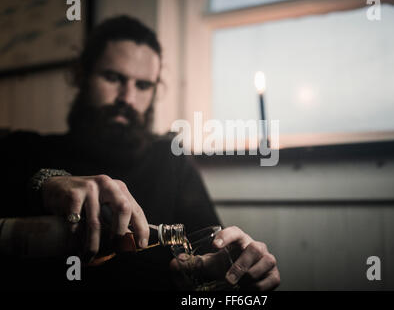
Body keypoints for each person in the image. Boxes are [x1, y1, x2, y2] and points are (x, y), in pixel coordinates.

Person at [0, 16, 280, 291]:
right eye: (112, 77)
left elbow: (209, 251)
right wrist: (46, 183)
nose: (127, 98)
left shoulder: (171, 162)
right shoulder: (26, 149)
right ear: (80, 76)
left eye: (143, 85)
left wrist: (232, 269)